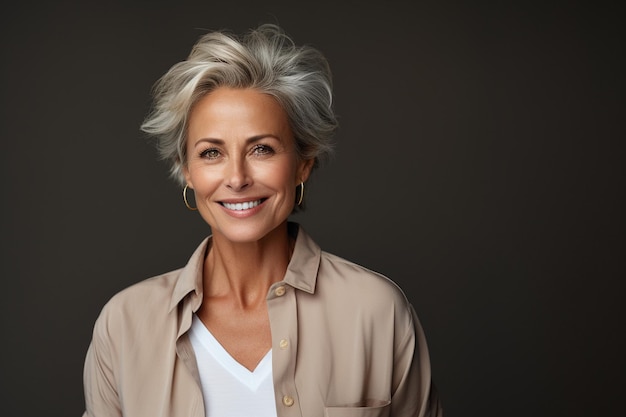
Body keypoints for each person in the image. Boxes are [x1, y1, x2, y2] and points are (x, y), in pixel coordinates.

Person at [82, 23, 442, 417]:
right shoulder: (124, 324)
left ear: (303, 164)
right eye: (211, 153)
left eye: (262, 149)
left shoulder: (375, 311)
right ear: (186, 171)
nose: (237, 178)